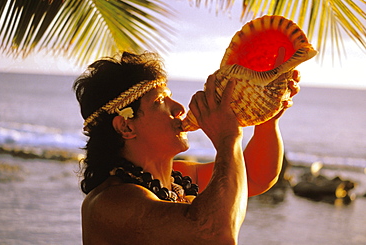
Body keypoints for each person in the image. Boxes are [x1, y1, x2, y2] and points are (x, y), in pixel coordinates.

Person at [73, 51, 300, 245]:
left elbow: (256, 176)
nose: (179, 107)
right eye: (160, 101)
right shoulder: (109, 203)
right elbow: (216, 234)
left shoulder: (179, 178)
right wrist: (227, 138)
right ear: (126, 126)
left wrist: (268, 118)